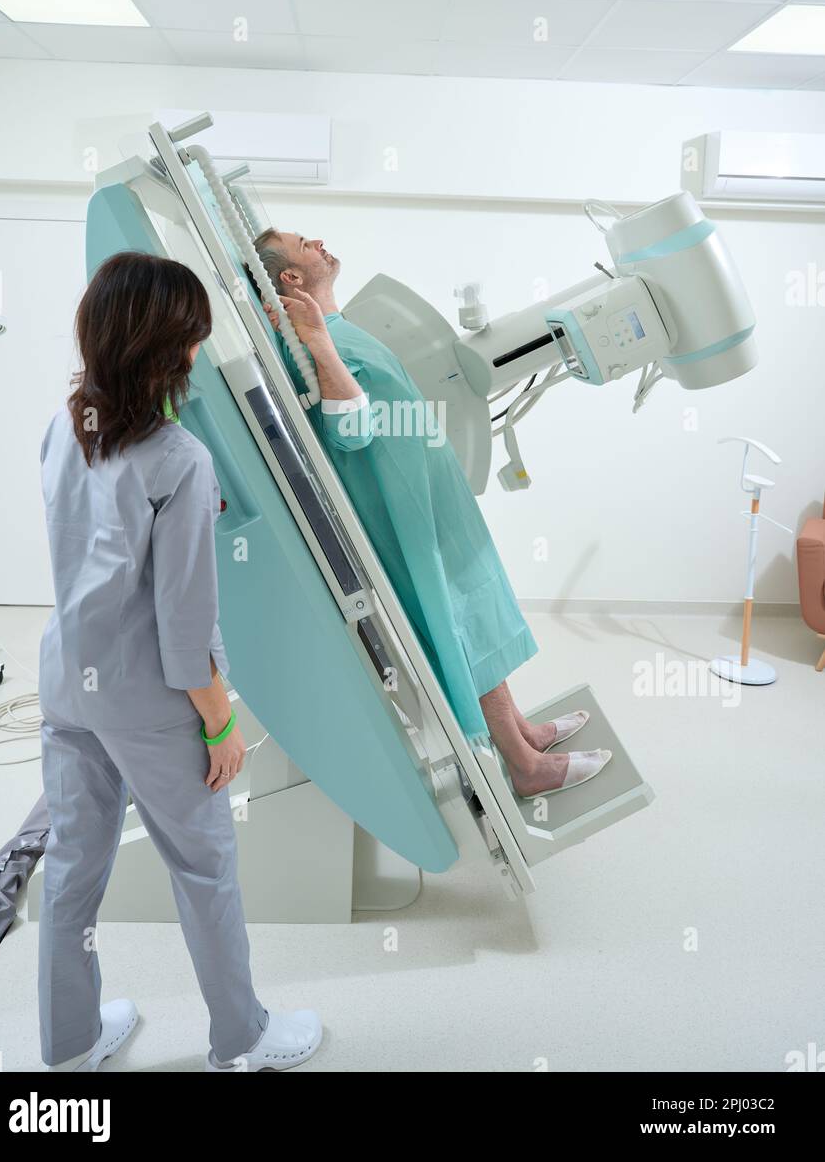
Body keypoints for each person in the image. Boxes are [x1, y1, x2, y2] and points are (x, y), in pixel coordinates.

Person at [37, 251, 321, 1073]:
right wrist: (222, 722)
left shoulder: (64, 426)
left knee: (71, 869)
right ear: (168, 348)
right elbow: (185, 627)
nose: (198, 351)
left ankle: (71, 1043)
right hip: (148, 699)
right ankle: (242, 1040)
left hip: (66, 682)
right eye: (192, 337)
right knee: (204, 868)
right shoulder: (180, 462)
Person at [248, 231, 612, 799]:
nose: (318, 241)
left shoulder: (341, 329)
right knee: (462, 626)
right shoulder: (314, 344)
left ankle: (522, 731)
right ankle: (522, 766)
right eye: (302, 243)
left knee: (480, 615)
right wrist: (318, 342)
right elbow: (351, 430)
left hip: (433, 500)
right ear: (290, 279)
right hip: (404, 516)